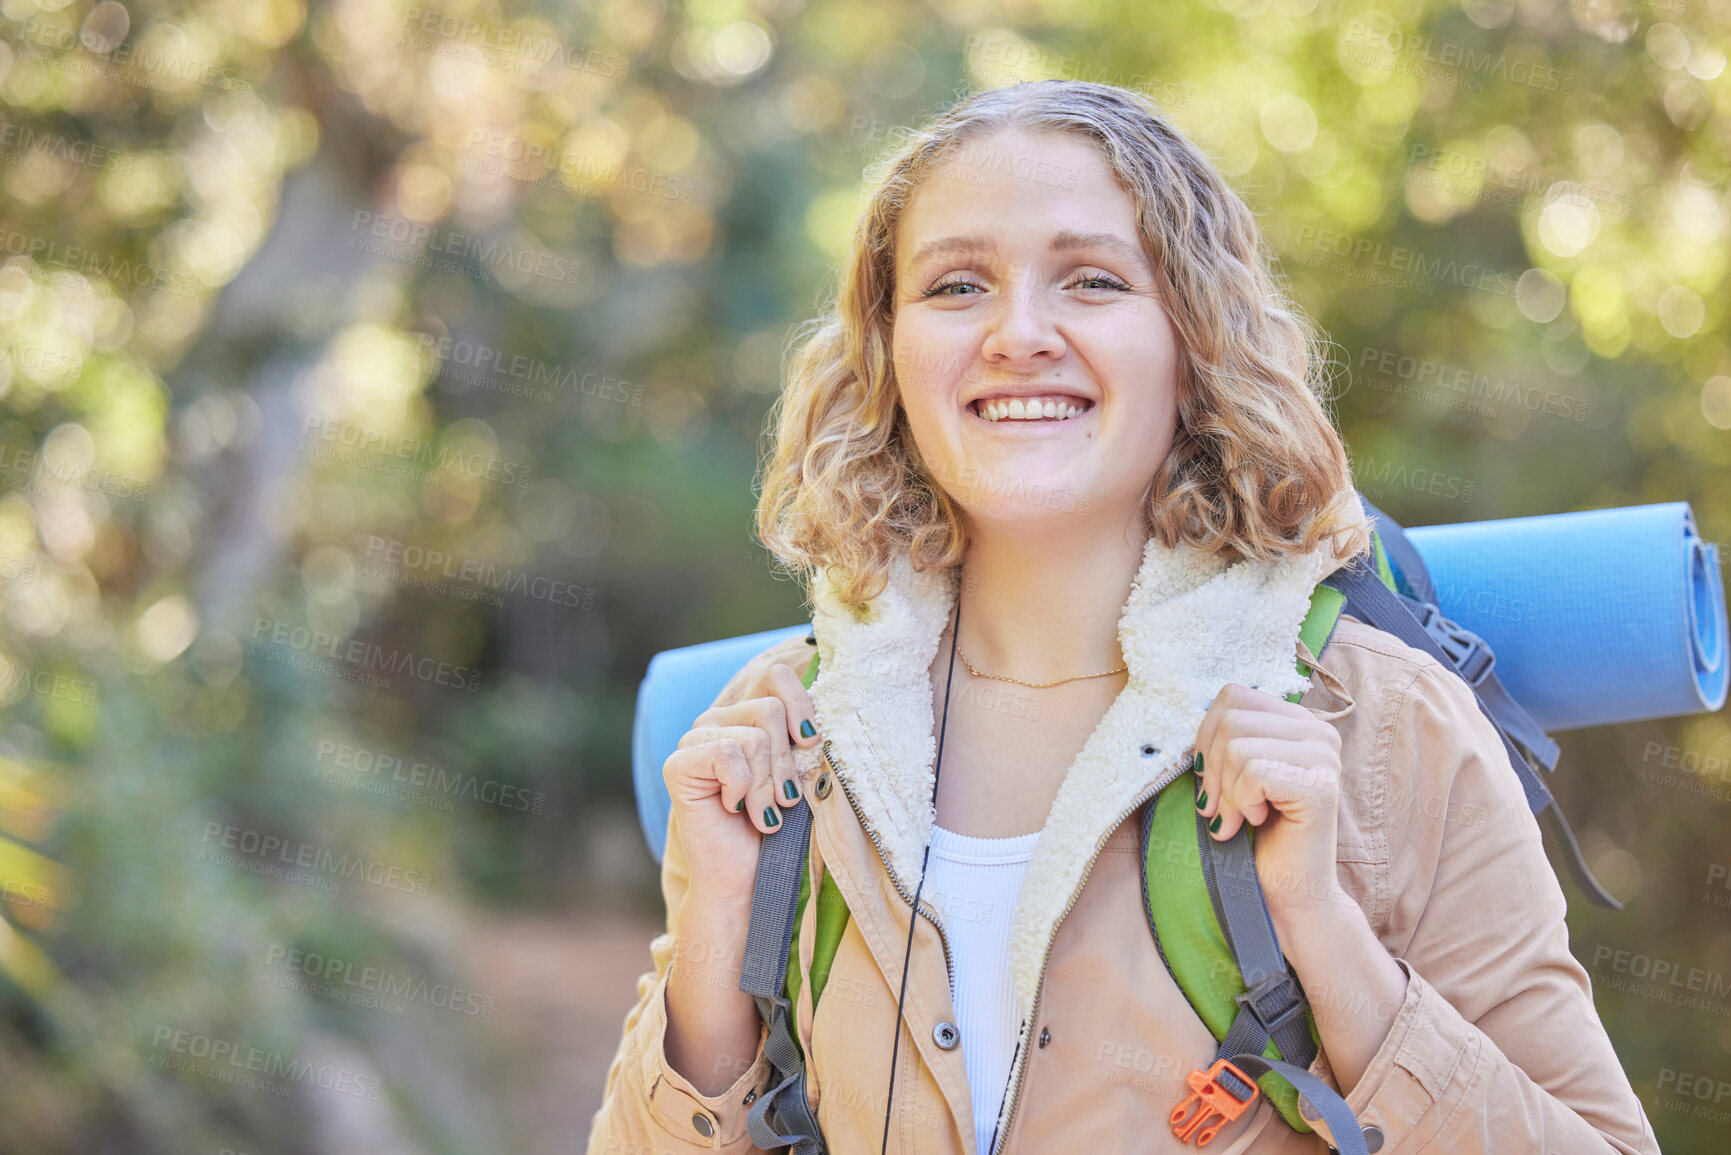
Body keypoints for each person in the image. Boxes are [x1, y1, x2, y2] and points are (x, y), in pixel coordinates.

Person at [586, 80, 1660, 1154]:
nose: (1018, 333)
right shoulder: (789, 733)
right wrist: (714, 954)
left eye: (1092, 280)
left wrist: (1329, 943)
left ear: (1191, 336)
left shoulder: (1381, 725)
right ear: (889, 350)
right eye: (957, 285)